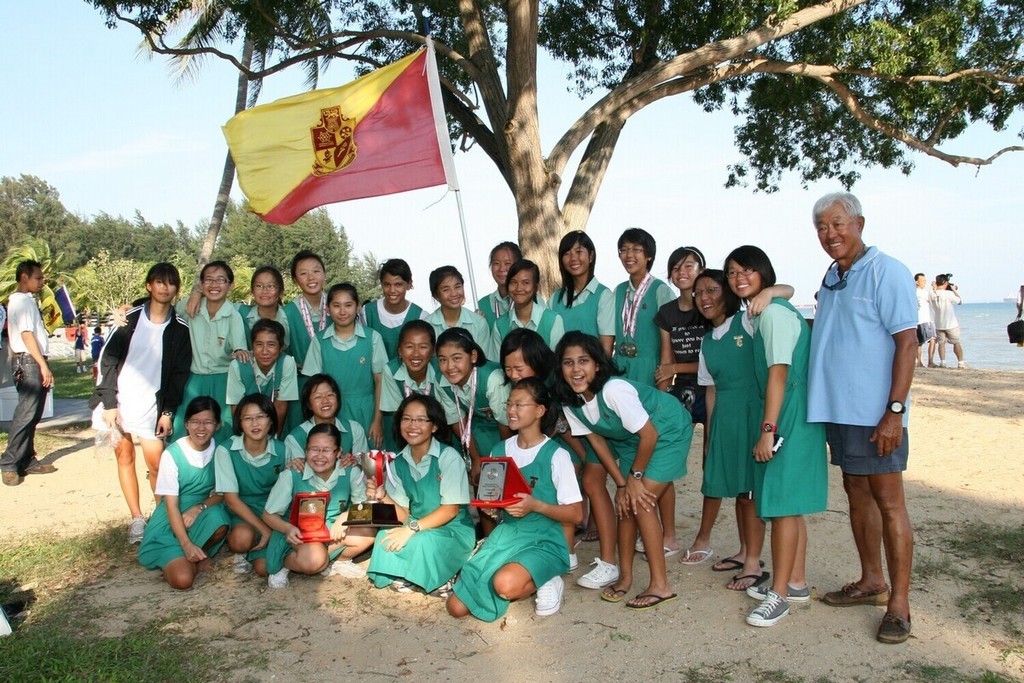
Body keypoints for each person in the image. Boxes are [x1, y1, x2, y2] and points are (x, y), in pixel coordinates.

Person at [807, 192, 917, 645]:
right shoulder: (834, 274)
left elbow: (907, 343)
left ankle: (900, 605)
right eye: (822, 227)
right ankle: (872, 580)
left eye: (838, 224)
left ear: (859, 223)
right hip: (840, 410)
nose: (830, 234)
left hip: (876, 413)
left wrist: (893, 412)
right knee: (856, 492)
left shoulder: (887, 271)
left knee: (889, 501)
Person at [724, 246, 827, 628]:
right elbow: (787, 290)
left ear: (763, 272)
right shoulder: (762, 309)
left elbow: (779, 374)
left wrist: (768, 430)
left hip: (788, 413)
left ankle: (779, 593)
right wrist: (773, 291)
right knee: (791, 501)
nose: (739, 279)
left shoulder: (772, 316)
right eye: (733, 273)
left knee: (782, 504)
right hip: (791, 410)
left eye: (747, 271)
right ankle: (796, 581)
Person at [554, 331, 692, 610]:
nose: (576, 369)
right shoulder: (571, 403)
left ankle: (660, 586)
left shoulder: (613, 390)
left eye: (584, 361)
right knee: (625, 504)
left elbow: (650, 435)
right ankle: (625, 577)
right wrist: (620, 484)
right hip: (631, 441)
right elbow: (597, 441)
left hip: (666, 431)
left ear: (598, 365)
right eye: (568, 363)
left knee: (640, 503)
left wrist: (635, 479)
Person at [447, 378, 583, 620]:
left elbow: (576, 514)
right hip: (507, 536)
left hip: (545, 539)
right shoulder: (499, 451)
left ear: (540, 410)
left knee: (504, 585)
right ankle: (526, 572)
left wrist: (536, 506)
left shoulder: (557, 455)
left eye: (520, 405)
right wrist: (492, 511)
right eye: (509, 404)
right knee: (456, 608)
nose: (511, 410)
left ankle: (548, 577)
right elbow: (495, 503)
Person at [90, 263, 192, 542]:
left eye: (171, 283)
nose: (164, 287)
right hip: (120, 401)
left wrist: (168, 412)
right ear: (149, 285)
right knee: (124, 457)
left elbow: (179, 376)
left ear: (176, 289)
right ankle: (136, 518)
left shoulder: (180, 329)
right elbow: (107, 360)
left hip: (153, 406)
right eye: (159, 281)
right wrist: (109, 402)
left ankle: (162, 518)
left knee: (157, 464)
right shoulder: (129, 319)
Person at [691, 269, 766, 588]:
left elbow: (785, 293)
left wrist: (769, 293)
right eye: (699, 293)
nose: (705, 298)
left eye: (711, 290)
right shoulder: (707, 341)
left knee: (750, 491)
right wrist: (709, 436)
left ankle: (753, 562)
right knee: (738, 488)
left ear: (727, 292)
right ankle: (743, 550)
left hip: (752, 413)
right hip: (724, 419)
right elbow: (710, 391)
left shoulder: (747, 321)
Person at [366, 394, 475, 596]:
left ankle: (442, 572)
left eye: (420, 420)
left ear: (434, 426)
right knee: (384, 535)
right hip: (417, 523)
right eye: (406, 419)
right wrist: (383, 496)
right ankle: (416, 574)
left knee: (425, 541)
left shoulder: (448, 456)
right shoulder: (398, 463)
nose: (412, 425)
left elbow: (450, 510)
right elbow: (403, 515)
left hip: (452, 528)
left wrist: (411, 529)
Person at [262, 423, 375, 588]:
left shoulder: (350, 472)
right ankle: (286, 563)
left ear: (338, 453)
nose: (319, 456)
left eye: (327, 450)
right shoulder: (291, 475)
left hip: (331, 530)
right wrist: (287, 529)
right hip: (297, 533)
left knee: (368, 532)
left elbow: (365, 507)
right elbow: (268, 514)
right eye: (314, 449)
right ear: (305, 451)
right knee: (314, 560)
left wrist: (345, 517)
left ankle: (332, 561)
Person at [137, 396, 230, 590]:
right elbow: (170, 504)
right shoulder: (173, 454)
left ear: (217, 425)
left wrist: (199, 507)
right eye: (195, 422)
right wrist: (186, 543)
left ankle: (199, 554)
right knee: (183, 580)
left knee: (220, 520)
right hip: (171, 517)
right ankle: (182, 554)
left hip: (199, 512)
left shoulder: (221, 450)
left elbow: (223, 492)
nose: (201, 428)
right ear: (186, 424)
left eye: (208, 422)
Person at [302, 283, 387, 447]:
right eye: (336, 306)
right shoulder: (319, 341)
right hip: (330, 412)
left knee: (369, 464)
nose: (342, 311)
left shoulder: (373, 338)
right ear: (327, 309)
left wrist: (377, 420)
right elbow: (312, 385)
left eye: (348, 305)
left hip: (366, 412)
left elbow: (380, 381)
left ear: (358, 307)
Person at [174, 260, 249, 442]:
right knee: (182, 428)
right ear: (201, 284)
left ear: (230, 285)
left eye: (221, 280)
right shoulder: (191, 306)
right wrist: (128, 309)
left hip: (222, 380)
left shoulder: (233, 315)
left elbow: (239, 348)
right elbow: (160, 309)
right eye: (208, 280)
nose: (214, 285)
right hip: (193, 379)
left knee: (222, 429)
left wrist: (240, 352)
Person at [215, 393, 287, 577]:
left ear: (271, 420)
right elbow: (231, 500)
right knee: (241, 540)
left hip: (272, 512)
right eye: (248, 418)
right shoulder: (225, 450)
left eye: (261, 417)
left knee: (264, 570)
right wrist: (264, 530)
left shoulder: (283, 449)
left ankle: (266, 549)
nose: (255, 424)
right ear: (240, 422)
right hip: (241, 511)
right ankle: (247, 550)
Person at [1, 260, 57, 487]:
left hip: (31, 359)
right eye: (38, 278)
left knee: (33, 414)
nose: (42, 282)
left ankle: (27, 459)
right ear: (24, 277)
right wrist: (41, 365)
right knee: (26, 412)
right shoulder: (22, 302)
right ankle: (9, 462)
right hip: (29, 361)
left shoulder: (27, 301)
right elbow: (26, 335)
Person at [434, 327, 511, 483]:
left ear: (473, 356)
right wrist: (475, 458)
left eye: (457, 358)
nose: (449, 367)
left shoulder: (492, 379)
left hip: (505, 431)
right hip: (474, 431)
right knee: (478, 476)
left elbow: (506, 423)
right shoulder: (441, 381)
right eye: (442, 359)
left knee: (498, 476)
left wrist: (503, 460)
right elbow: (457, 421)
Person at [226, 319, 298, 437]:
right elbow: (237, 408)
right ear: (252, 346)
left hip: (273, 428)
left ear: (281, 347)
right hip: (246, 428)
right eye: (259, 344)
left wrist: (273, 439)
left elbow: (280, 407)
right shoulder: (238, 366)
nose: (265, 351)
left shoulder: (287, 363)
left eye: (271, 345)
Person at [379, 320, 443, 451]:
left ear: (433, 351)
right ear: (400, 350)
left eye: (423, 347)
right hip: (404, 434)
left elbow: (444, 417)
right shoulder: (391, 370)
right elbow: (397, 418)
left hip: (439, 431)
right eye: (409, 347)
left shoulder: (441, 370)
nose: (416, 354)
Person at [283, 374, 369, 463]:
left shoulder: (354, 429)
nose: (325, 401)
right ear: (308, 404)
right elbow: (298, 473)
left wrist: (354, 463)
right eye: (318, 397)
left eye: (330, 395)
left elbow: (364, 468)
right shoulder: (295, 438)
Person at [426, 265, 498, 361]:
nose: (454, 293)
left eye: (457, 287)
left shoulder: (479, 323)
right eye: (446, 290)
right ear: (436, 295)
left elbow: (483, 361)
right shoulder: (427, 327)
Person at [362, 258, 428, 360]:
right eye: (387, 284)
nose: (392, 290)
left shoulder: (421, 317)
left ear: (409, 284)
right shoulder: (367, 312)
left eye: (398, 284)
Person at [492, 259, 565, 351]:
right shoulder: (499, 325)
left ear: (536, 287)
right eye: (513, 282)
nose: (519, 288)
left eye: (526, 283)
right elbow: (497, 364)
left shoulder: (553, 320)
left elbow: (558, 361)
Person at [478, 242, 522, 328]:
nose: (501, 269)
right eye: (496, 263)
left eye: (507, 263)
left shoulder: (531, 300)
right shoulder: (482, 305)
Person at [931, 274, 966, 369]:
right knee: (956, 342)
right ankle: (961, 363)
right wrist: (954, 290)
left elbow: (933, 294)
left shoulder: (932, 294)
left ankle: (943, 362)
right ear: (946, 283)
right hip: (951, 324)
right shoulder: (949, 294)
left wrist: (933, 288)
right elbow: (960, 301)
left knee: (941, 343)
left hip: (938, 324)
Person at [913, 273, 937, 368]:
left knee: (919, 343)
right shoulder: (922, 293)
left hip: (916, 321)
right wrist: (934, 289)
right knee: (932, 339)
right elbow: (933, 299)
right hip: (925, 320)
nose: (924, 283)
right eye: (922, 281)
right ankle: (930, 361)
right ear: (917, 282)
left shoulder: (913, 292)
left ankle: (919, 362)